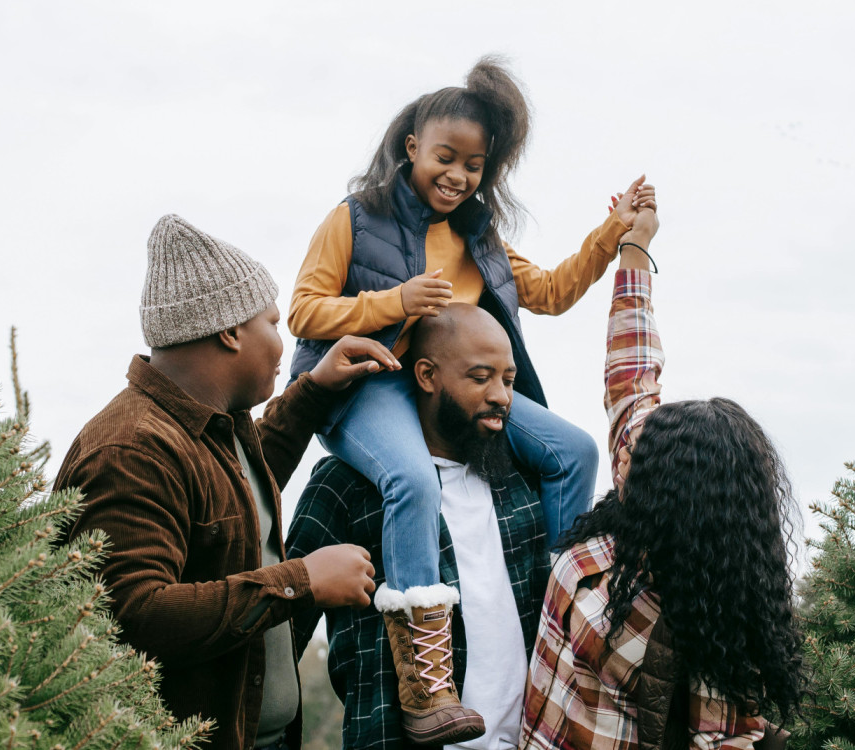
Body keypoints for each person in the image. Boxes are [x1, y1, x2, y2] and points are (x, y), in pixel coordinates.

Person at [285, 55, 656, 742]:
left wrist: (617, 234)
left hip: (461, 387)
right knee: (409, 480)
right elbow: (304, 312)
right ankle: (426, 681)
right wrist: (392, 302)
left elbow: (548, 292)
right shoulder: (356, 219)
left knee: (572, 450)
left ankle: (558, 615)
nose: (457, 176)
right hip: (372, 381)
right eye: (445, 158)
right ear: (412, 150)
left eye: (474, 165)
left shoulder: (479, 238)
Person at [53, 214, 396, 750]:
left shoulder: (215, 427)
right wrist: (300, 580)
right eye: (274, 323)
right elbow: (131, 618)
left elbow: (237, 502)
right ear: (230, 331)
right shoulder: (131, 450)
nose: (285, 344)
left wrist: (315, 390)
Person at [520, 206, 806, 750]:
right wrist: (636, 247)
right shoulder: (644, 482)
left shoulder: (706, 611)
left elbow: (718, 736)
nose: (623, 459)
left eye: (640, 462)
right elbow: (630, 368)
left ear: (679, 499)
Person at [287, 304, 552, 749]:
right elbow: (281, 634)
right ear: (427, 376)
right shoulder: (347, 485)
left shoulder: (521, 484)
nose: (501, 397)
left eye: (508, 380)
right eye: (480, 377)